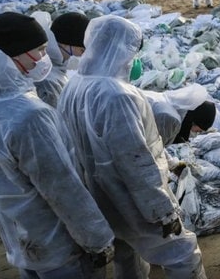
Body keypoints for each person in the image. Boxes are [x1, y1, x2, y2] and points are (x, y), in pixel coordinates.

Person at [57, 15, 206, 278]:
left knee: (127, 254)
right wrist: (161, 210)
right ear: (122, 50)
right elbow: (134, 159)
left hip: (96, 194)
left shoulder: (74, 85)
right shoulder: (117, 95)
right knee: (182, 252)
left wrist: (169, 163)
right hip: (126, 197)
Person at [0, 12, 115, 278]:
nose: (44, 57)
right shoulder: (30, 114)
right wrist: (97, 237)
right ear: (13, 56)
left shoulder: (6, 106)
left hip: (20, 239)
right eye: (38, 50)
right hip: (57, 243)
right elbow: (61, 186)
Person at [33, 11, 90, 107]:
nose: (82, 56)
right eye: (82, 51)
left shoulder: (57, 67)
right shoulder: (47, 78)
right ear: (65, 44)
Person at [145, 84, 217, 145]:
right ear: (195, 121)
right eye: (198, 131)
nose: (196, 134)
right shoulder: (170, 118)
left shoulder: (171, 105)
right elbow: (155, 145)